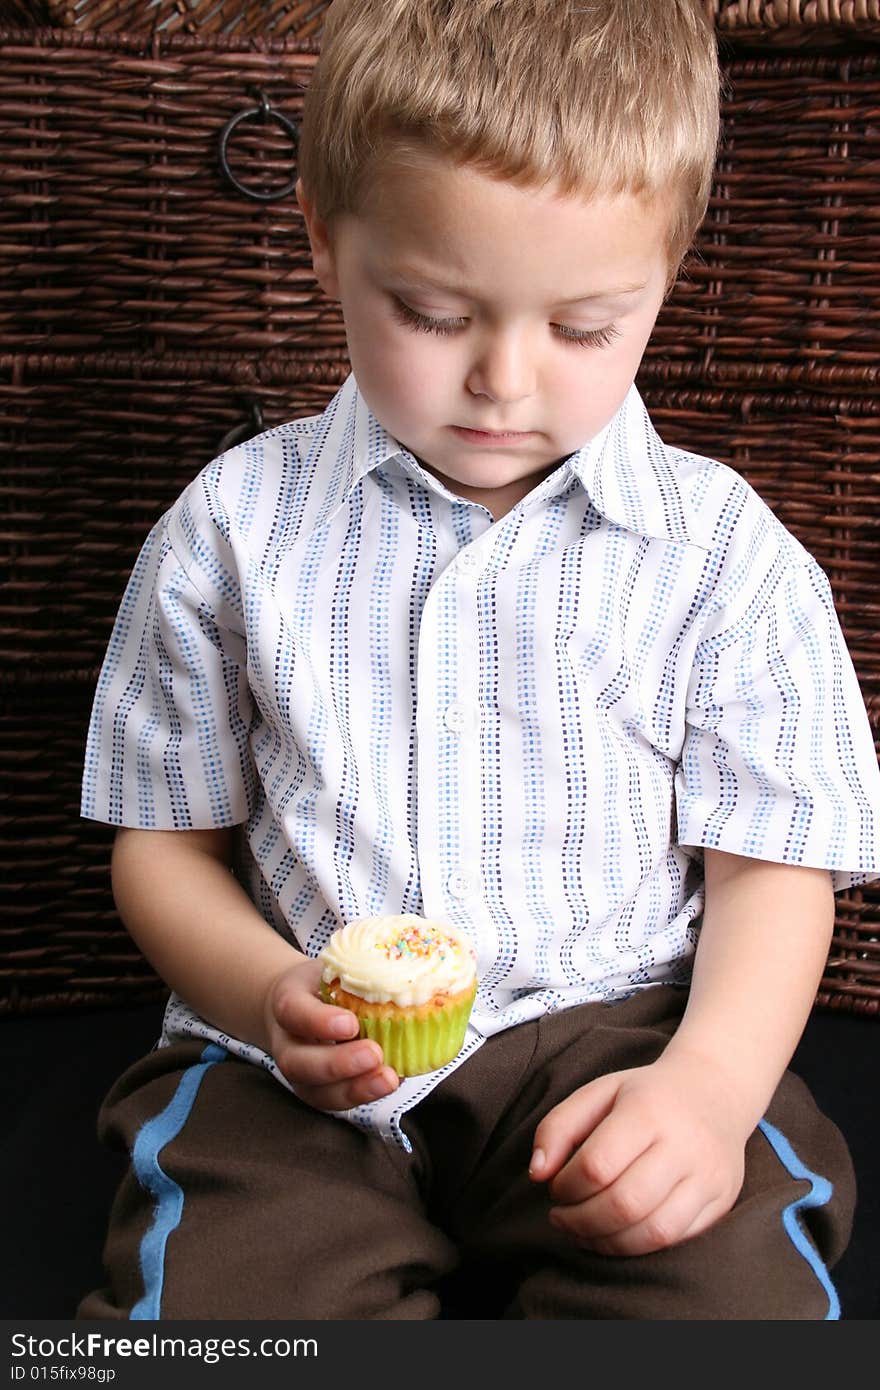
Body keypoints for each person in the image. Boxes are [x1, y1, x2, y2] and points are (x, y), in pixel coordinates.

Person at [78, 0, 880, 1320]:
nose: (504, 379)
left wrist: (708, 1088)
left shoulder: (720, 553)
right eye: (431, 310)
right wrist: (267, 986)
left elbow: (773, 867)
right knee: (219, 1305)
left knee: (730, 1283)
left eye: (582, 327)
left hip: (612, 1035)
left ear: (666, 271)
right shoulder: (229, 530)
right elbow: (163, 846)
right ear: (326, 242)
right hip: (286, 1066)